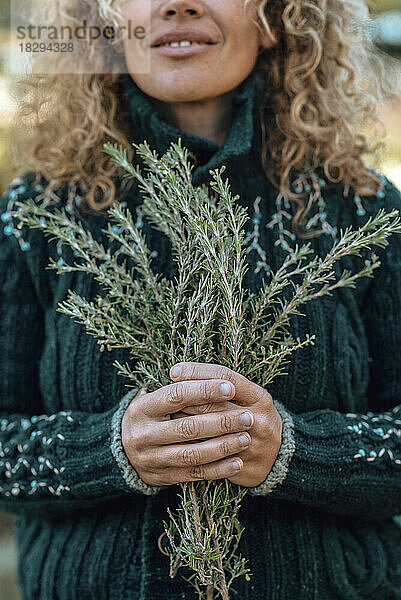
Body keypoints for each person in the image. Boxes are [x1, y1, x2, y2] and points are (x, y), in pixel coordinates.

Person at [1, 0, 400, 598]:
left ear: (276, 18)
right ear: (107, 22)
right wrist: (107, 450)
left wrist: (296, 451)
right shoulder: (37, 212)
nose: (177, 3)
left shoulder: (364, 210)